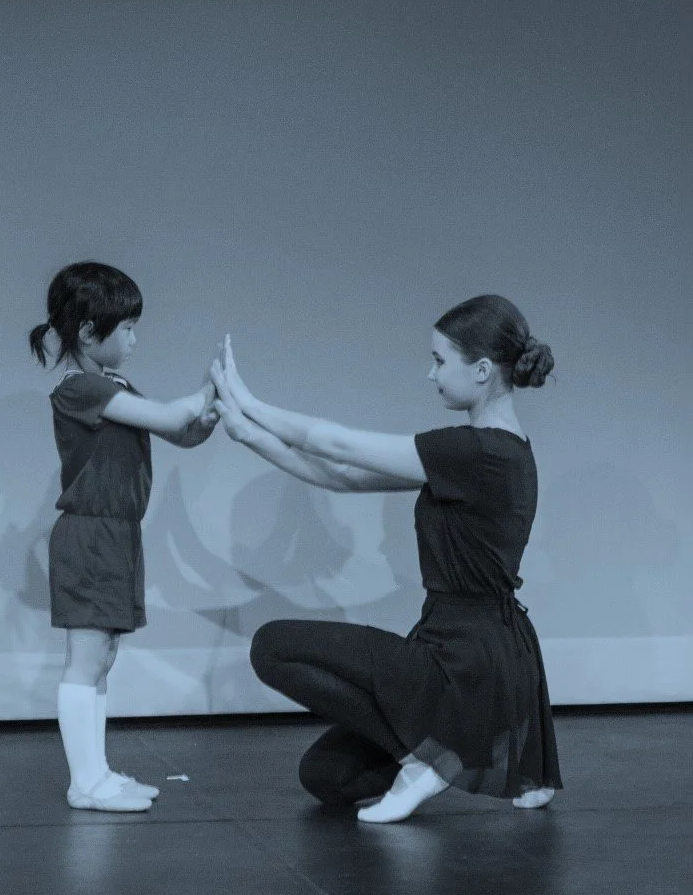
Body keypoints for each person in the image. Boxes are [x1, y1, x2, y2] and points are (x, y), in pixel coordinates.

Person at [210, 295, 563, 822]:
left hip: (466, 658)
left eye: (441, 361)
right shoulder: (494, 450)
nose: (431, 373)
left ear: (483, 370)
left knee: (271, 646)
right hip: (463, 645)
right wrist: (248, 436)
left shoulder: (476, 450)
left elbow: (339, 444)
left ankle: (427, 762)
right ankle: (429, 754)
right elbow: (343, 477)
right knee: (327, 776)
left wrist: (250, 402)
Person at [29, 261, 219, 811]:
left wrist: (201, 421)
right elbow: (167, 415)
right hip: (90, 535)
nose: (135, 339)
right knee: (86, 660)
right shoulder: (79, 388)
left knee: (103, 657)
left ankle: (97, 774)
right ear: (89, 331)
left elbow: (177, 431)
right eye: (128, 327)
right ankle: (85, 782)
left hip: (117, 534)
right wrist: (210, 390)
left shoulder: (113, 385)